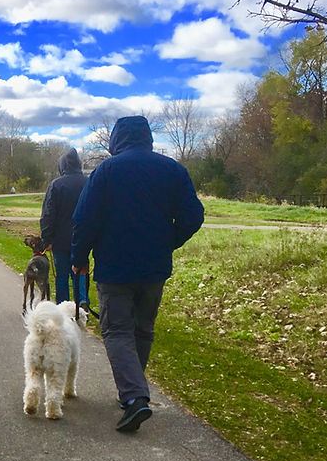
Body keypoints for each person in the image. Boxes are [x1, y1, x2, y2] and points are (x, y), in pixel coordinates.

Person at [71, 115, 204, 432]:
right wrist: (169, 242)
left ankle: (134, 398)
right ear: (148, 138)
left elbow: (84, 219)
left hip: (115, 268)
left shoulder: (107, 171)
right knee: (143, 328)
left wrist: (79, 258)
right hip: (154, 268)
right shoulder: (172, 170)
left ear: (117, 139)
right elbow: (193, 216)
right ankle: (133, 394)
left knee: (116, 331)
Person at [40, 148, 89, 308]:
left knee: (61, 275)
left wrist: (47, 239)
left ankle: (63, 307)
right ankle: (82, 301)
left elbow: (48, 214)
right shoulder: (88, 182)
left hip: (60, 240)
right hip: (82, 237)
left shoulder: (56, 185)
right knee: (80, 270)